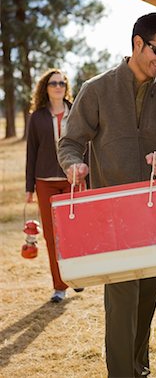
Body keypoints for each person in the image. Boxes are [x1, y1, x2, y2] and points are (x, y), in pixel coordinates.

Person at [58, 13, 156, 377]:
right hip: (111, 215)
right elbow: (71, 143)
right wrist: (74, 166)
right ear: (137, 43)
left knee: (147, 296)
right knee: (122, 300)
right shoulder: (97, 89)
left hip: (153, 216)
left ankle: (139, 368)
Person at [25, 68, 84, 303]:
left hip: (74, 181)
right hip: (45, 182)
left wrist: (85, 176)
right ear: (45, 88)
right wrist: (29, 187)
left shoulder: (77, 112)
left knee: (75, 233)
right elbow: (32, 152)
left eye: (62, 82)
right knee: (51, 237)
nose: (58, 86)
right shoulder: (37, 117)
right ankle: (59, 286)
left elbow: (85, 144)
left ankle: (76, 277)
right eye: (53, 83)